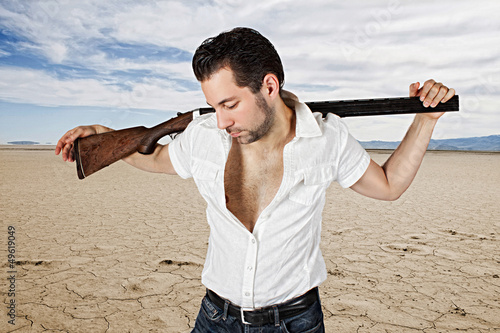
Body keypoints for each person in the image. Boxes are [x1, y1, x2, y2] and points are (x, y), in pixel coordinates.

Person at [56, 27, 455, 332]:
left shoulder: (327, 138)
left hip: (295, 320)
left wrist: (425, 120)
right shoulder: (204, 135)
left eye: (230, 104)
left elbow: (388, 186)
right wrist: (102, 133)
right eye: (213, 106)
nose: (222, 119)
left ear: (269, 85)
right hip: (215, 317)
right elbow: (156, 157)